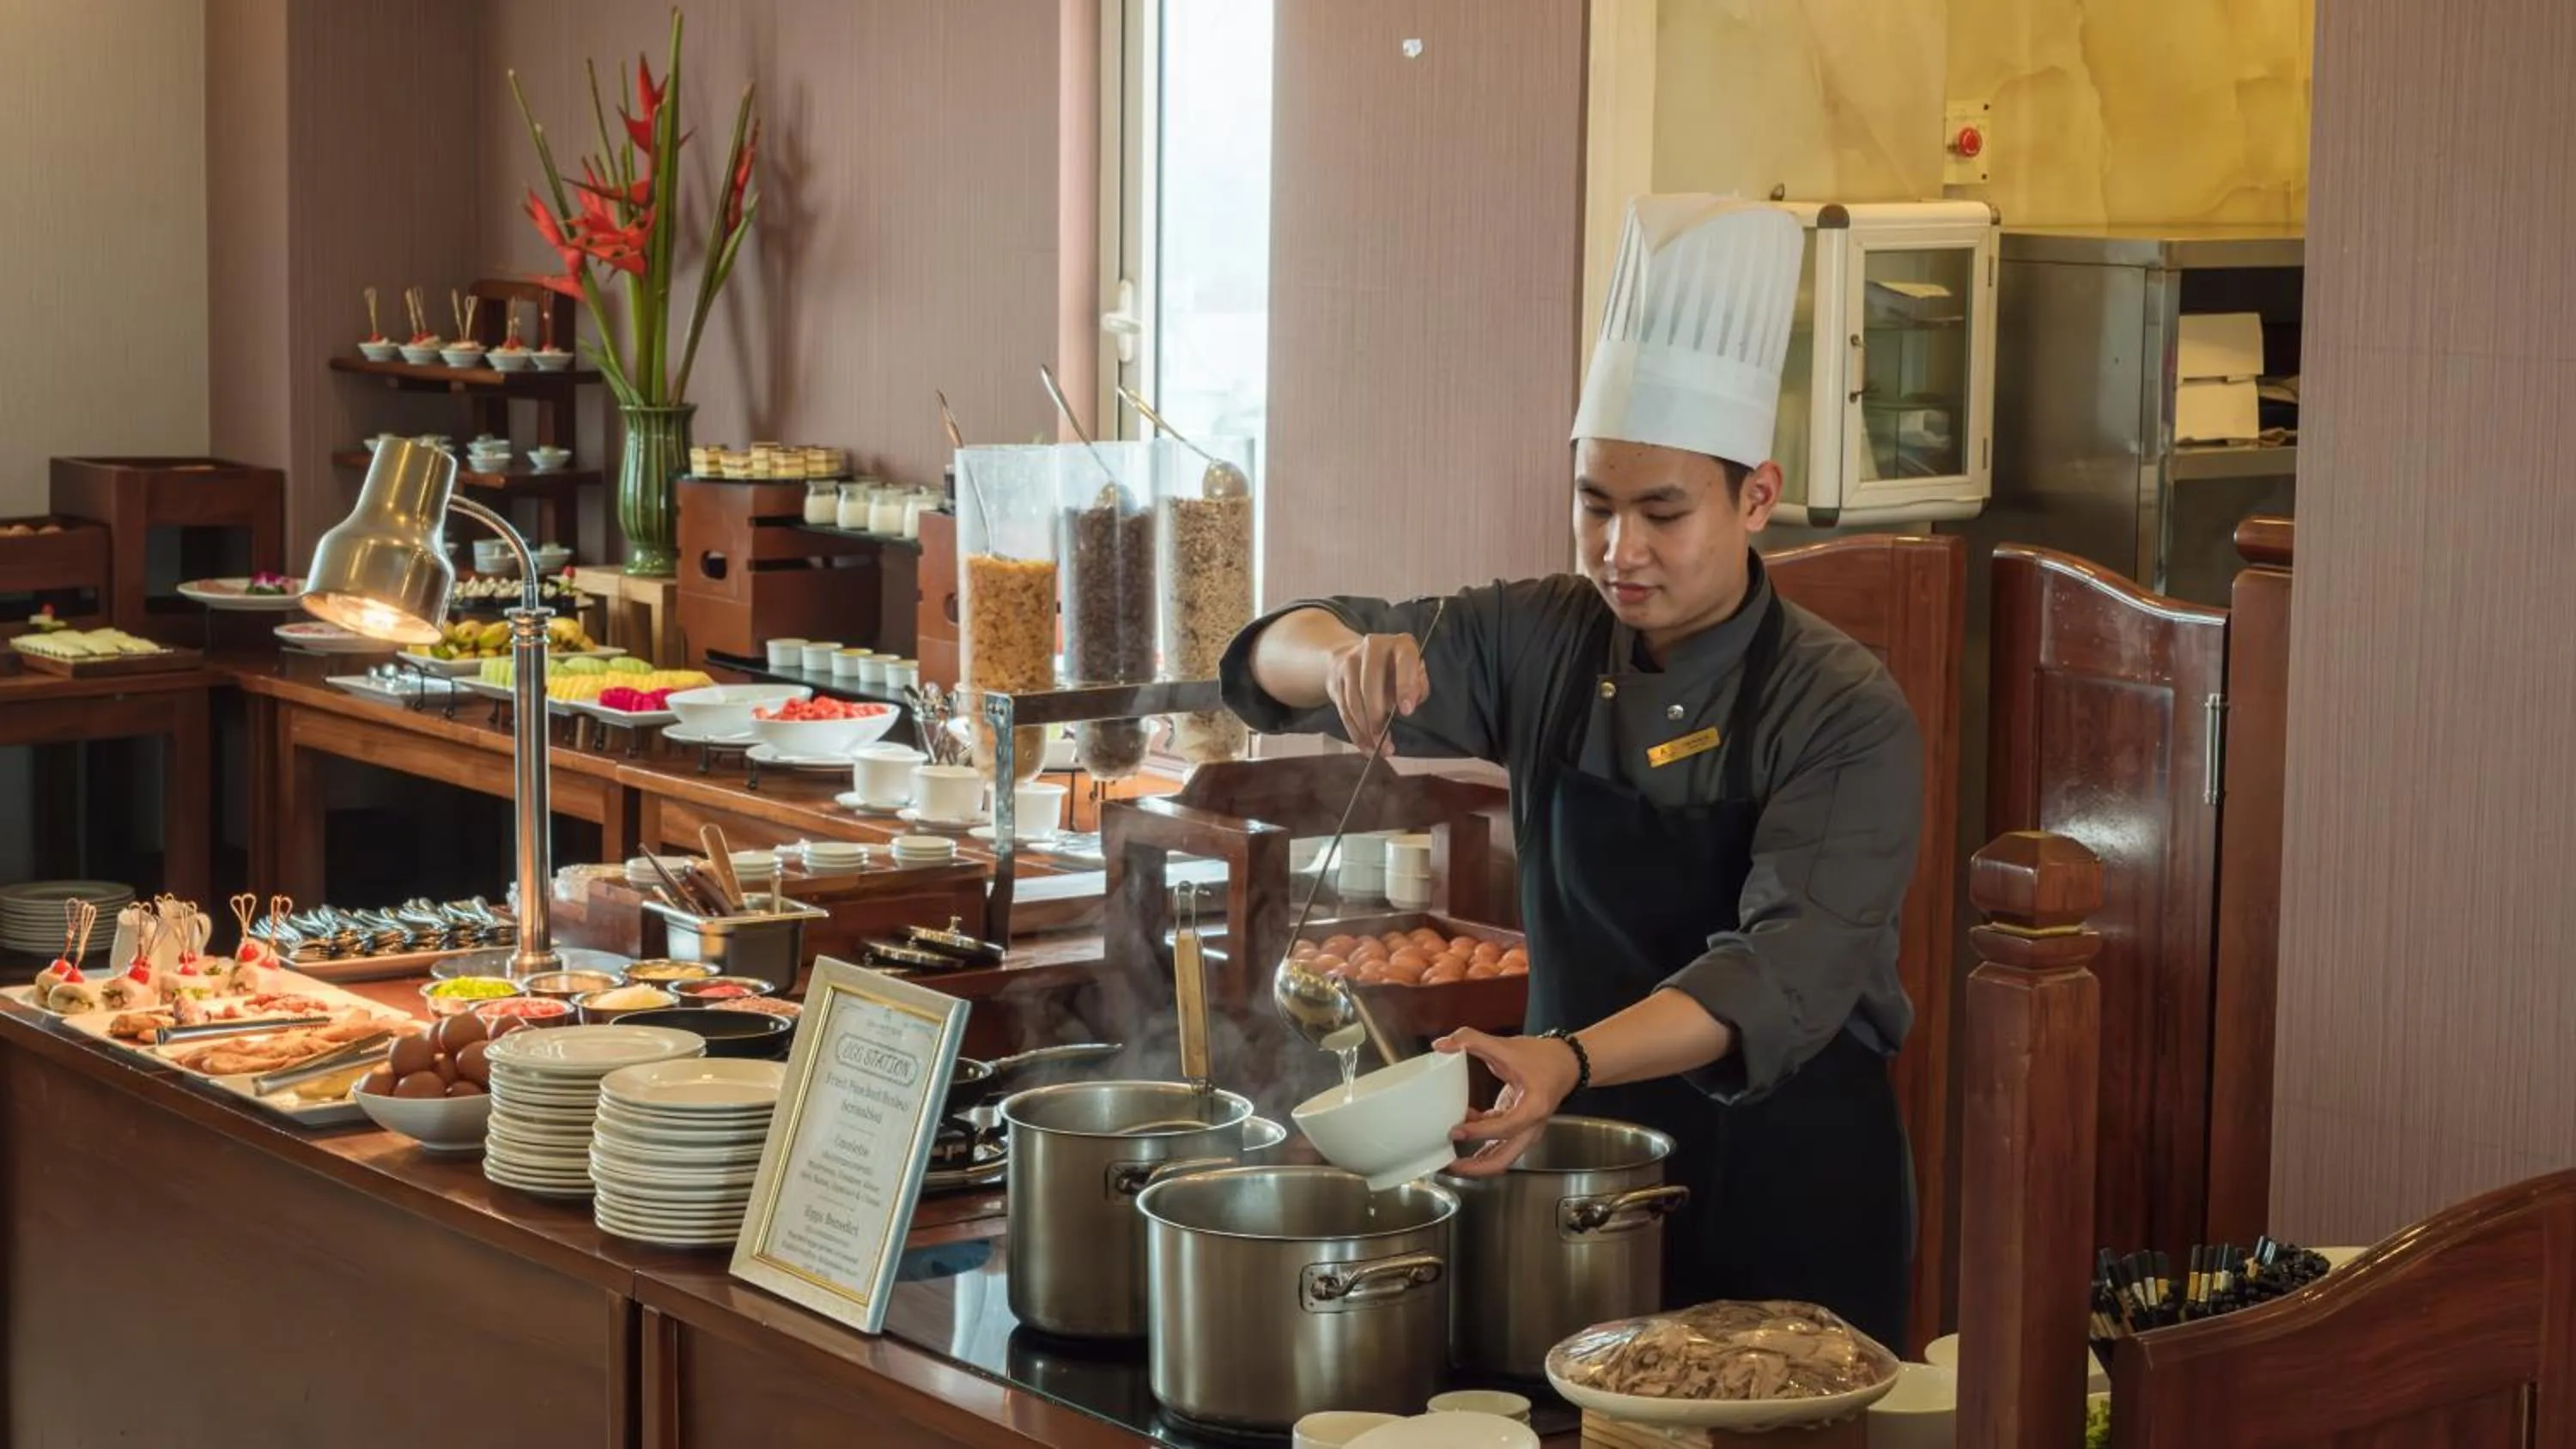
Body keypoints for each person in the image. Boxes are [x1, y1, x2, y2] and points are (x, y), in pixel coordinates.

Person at [1217, 196, 1922, 1347]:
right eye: (1593, 506)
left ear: (1756, 498)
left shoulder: (1842, 706)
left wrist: (1571, 1054)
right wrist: (1344, 654)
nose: (1617, 551)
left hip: (1787, 1185)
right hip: (1574, 1182)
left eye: (1662, 513)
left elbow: (1783, 969)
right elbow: (1266, 655)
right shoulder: (1543, 636)